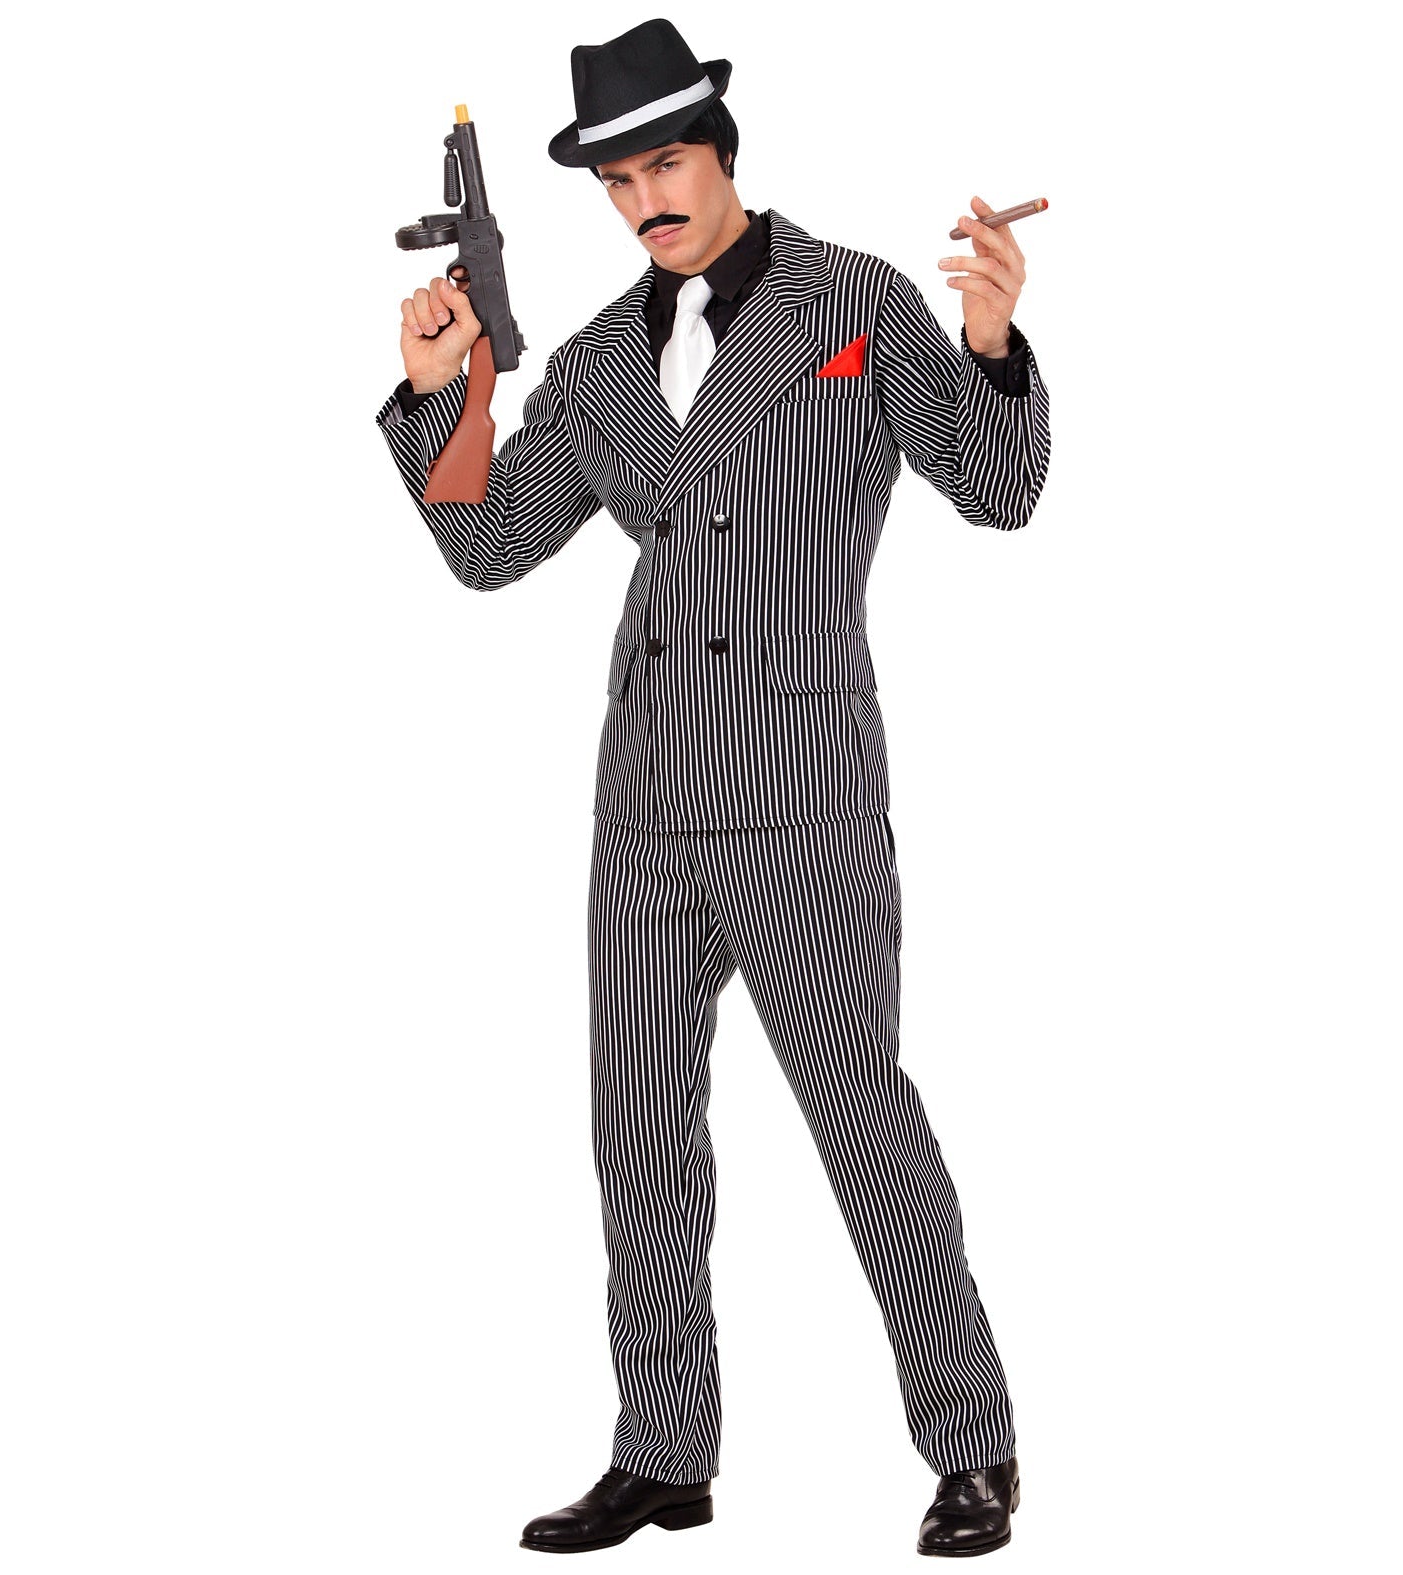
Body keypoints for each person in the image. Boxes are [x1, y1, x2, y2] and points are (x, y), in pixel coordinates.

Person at [375, 17, 1049, 1560]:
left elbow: (997, 491)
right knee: (636, 1142)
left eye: (665, 165)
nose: (644, 202)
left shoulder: (851, 301)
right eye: (616, 182)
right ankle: (662, 1455)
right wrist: (438, 393)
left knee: (862, 1125)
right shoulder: (598, 359)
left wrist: (992, 345)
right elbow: (491, 546)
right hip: (645, 795)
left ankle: (973, 1446)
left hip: (802, 788)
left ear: (721, 157)